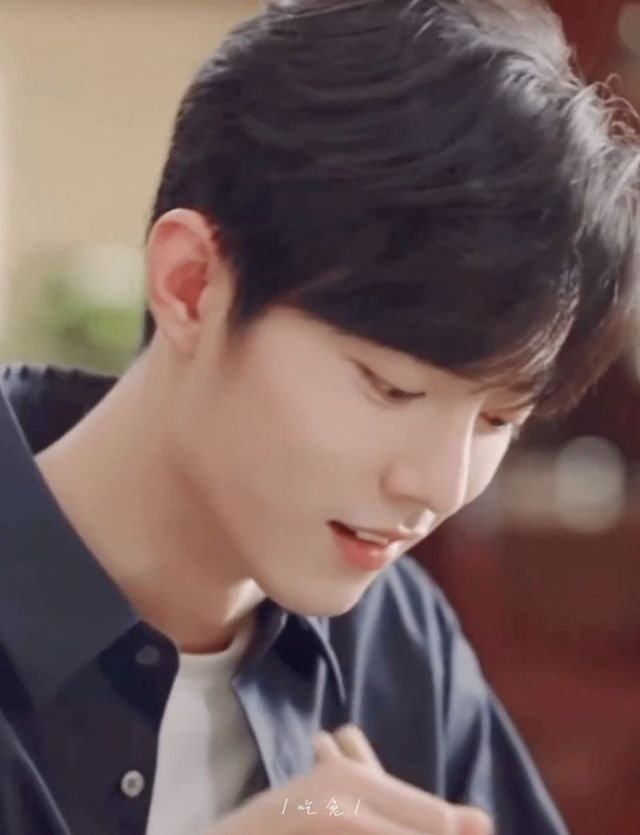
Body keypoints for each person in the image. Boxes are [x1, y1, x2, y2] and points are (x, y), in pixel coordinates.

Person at [1, 0, 639, 833]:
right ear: (192, 285)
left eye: (498, 419)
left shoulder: (396, 639)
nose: (437, 487)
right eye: (390, 387)